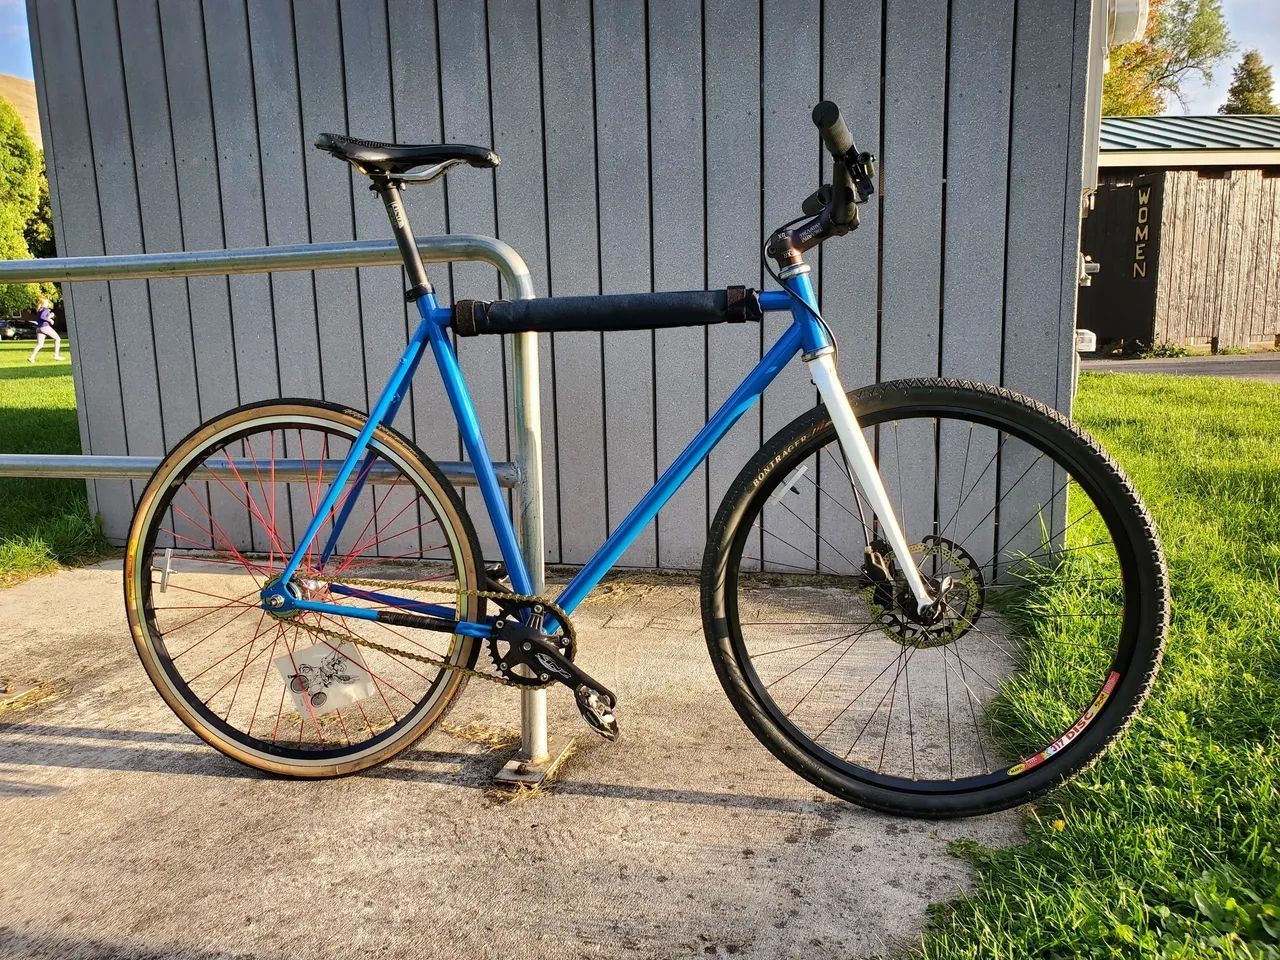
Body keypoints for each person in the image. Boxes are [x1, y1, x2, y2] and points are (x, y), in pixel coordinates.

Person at [27, 296, 63, 363]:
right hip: (45, 327)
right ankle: (56, 355)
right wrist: (50, 319)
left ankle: (31, 357)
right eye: (47, 302)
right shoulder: (45, 309)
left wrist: (50, 316)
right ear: (43, 303)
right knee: (58, 339)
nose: (48, 304)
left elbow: (41, 317)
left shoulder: (39, 310)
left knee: (40, 344)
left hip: (38, 328)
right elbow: (43, 317)